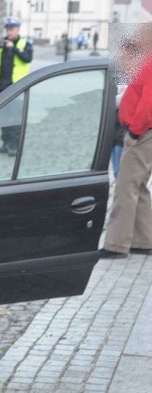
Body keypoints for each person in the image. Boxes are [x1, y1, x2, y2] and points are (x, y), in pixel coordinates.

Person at [101, 35, 152, 258]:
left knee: (125, 187)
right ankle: (143, 240)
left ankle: (116, 244)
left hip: (142, 134)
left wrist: (134, 132)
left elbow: (149, 103)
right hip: (143, 132)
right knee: (137, 186)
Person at [0, 18, 33, 156]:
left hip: (17, 86)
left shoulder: (25, 43)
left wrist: (14, 48)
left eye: (12, 29)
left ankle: (14, 145)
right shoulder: (2, 43)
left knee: (16, 117)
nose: (9, 32)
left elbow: (27, 58)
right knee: (3, 116)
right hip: (2, 87)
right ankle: (5, 142)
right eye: (8, 29)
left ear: (18, 30)